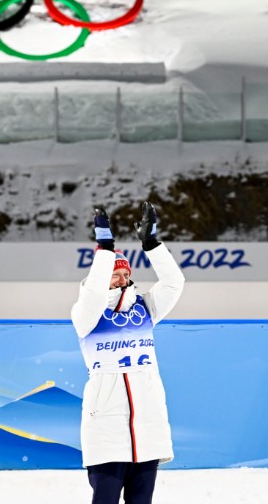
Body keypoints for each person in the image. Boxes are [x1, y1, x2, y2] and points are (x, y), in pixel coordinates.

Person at [70, 202, 185, 504]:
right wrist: (105, 249)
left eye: (125, 274)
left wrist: (152, 244)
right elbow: (95, 295)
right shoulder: (86, 315)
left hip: (147, 428)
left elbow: (174, 283)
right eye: (114, 275)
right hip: (106, 429)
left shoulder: (145, 308)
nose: (121, 280)